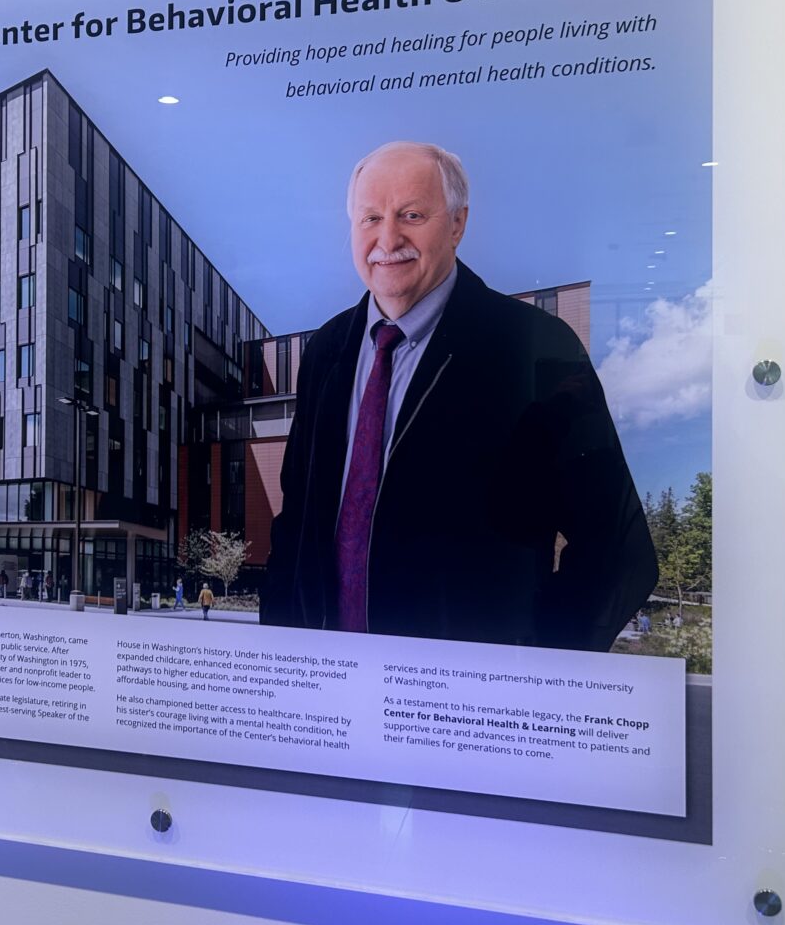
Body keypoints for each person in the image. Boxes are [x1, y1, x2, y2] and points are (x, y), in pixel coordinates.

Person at [262, 141, 657, 652]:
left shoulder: (533, 346)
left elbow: (618, 548)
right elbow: (294, 529)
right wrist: (279, 657)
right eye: (370, 218)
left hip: (463, 714)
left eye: (411, 214)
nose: (388, 238)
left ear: (457, 224)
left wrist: (535, 672)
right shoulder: (326, 351)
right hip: (329, 695)